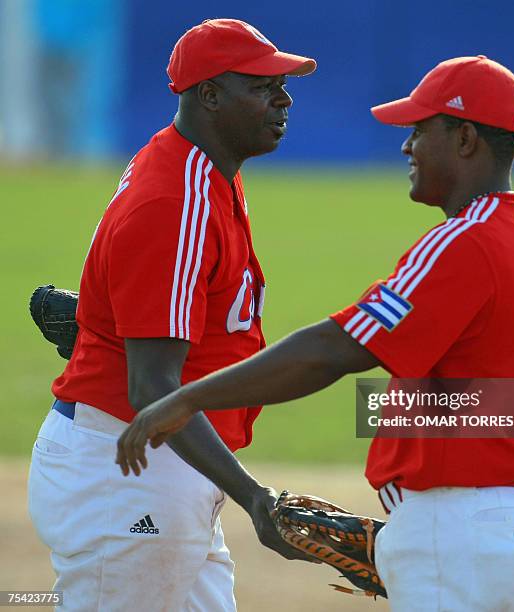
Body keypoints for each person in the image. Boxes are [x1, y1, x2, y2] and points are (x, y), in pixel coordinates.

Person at [116, 55, 514, 611]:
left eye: (420, 129)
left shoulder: (467, 241)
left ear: (465, 138)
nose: (406, 147)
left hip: (465, 531)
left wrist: (186, 398)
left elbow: (335, 349)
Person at [28, 18, 316, 612]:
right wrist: (253, 497)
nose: (283, 99)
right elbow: (152, 386)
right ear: (208, 95)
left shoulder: (202, 171)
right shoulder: (178, 198)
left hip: (160, 466)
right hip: (131, 473)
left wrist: (97, 326)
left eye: (282, 84)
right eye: (263, 86)